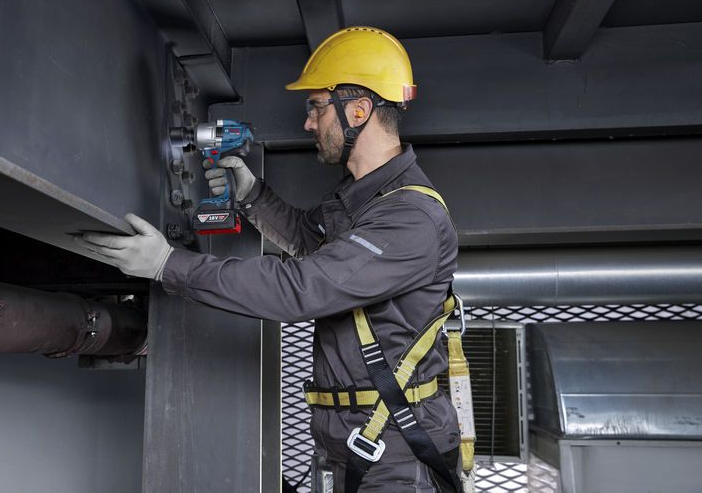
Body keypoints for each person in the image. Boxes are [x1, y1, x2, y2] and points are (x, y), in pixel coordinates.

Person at [74, 26, 462, 493]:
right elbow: (307, 239)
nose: (308, 123)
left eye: (316, 107)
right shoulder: (362, 200)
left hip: (398, 455)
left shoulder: (409, 217)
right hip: (363, 444)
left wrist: (167, 265)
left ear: (358, 111)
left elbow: (300, 288)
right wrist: (251, 195)